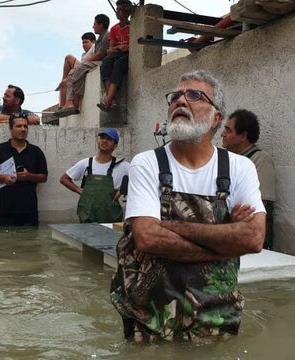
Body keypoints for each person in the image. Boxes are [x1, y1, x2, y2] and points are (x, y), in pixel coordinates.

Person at [110, 70, 266, 341]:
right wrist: (224, 244)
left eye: (194, 95)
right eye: (176, 96)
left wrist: (170, 226)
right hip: (149, 317)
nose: (180, 101)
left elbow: (253, 238)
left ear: (216, 117)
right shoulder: (147, 163)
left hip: (215, 316)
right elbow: (148, 238)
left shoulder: (240, 168)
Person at [221, 109, 276, 249]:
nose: (222, 134)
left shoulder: (260, 160)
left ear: (243, 136)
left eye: (228, 130)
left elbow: (256, 207)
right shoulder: (227, 160)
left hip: (251, 240)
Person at [0, 114, 48, 226]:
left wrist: (29, 176)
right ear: (11, 129)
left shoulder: (36, 151)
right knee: (4, 242)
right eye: (19, 126)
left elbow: (44, 177)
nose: (23, 129)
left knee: (31, 242)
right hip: (4, 212)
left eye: (25, 126)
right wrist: (3, 178)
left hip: (29, 211)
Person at [59, 128, 130, 223]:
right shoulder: (86, 164)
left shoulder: (123, 166)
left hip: (111, 218)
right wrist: (80, 191)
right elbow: (64, 179)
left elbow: (139, 179)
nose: (104, 141)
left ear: (115, 145)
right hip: (87, 218)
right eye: (102, 138)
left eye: (109, 139)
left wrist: (122, 190)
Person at [54, 14, 111, 118]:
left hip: (99, 63)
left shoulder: (106, 35)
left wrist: (86, 61)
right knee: (75, 75)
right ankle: (72, 103)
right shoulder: (100, 38)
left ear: (101, 25)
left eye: (95, 24)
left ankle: (71, 102)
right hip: (95, 62)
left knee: (74, 72)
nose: (93, 26)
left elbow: (100, 55)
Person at [97, 0, 133, 112]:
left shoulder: (133, 26)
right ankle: (111, 100)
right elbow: (110, 50)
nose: (117, 12)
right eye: (117, 9)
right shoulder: (114, 29)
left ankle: (108, 100)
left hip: (128, 56)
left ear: (126, 12)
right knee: (106, 64)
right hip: (117, 53)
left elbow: (133, 46)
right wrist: (119, 47)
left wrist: (125, 47)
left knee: (118, 65)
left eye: (119, 10)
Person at [57, 32, 96, 109]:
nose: (84, 44)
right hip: (83, 67)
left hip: (87, 67)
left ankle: (67, 102)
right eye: (83, 43)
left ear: (93, 42)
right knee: (68, 59)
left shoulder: (94, 48)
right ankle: (64, 81)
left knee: (69, 58)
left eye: (86, 42)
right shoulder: (84, 54)